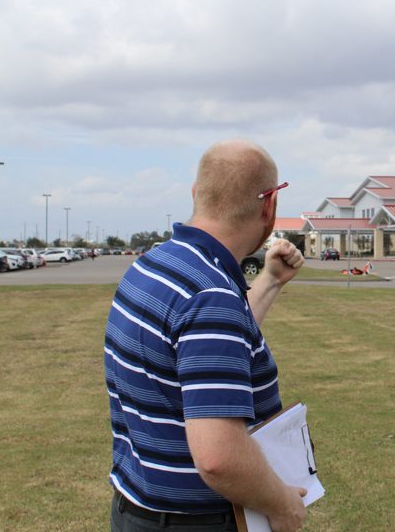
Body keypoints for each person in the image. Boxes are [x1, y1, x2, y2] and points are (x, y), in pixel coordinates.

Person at [104, 139, 307, 532]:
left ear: (196, 194)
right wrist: (282, 504)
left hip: (139, 509)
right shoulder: (209, 296)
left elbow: (208, 349)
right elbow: (219, 457)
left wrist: (269, 282)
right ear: (270, 206)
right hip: (195, 523)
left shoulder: (157, 264)